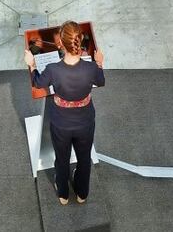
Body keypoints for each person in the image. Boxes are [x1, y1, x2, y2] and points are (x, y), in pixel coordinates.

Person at [24, 21, 105, 206]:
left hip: (61, 123)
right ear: (80, 40)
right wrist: (99, 62)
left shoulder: (53, 70)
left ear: (60, 43)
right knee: (84, 159)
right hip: (85, 122)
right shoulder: (91, 68)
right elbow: (100, 81)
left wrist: (32, 64)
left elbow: (38, 83)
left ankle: (63, 194)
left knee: (62, 159)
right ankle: (82, 193)